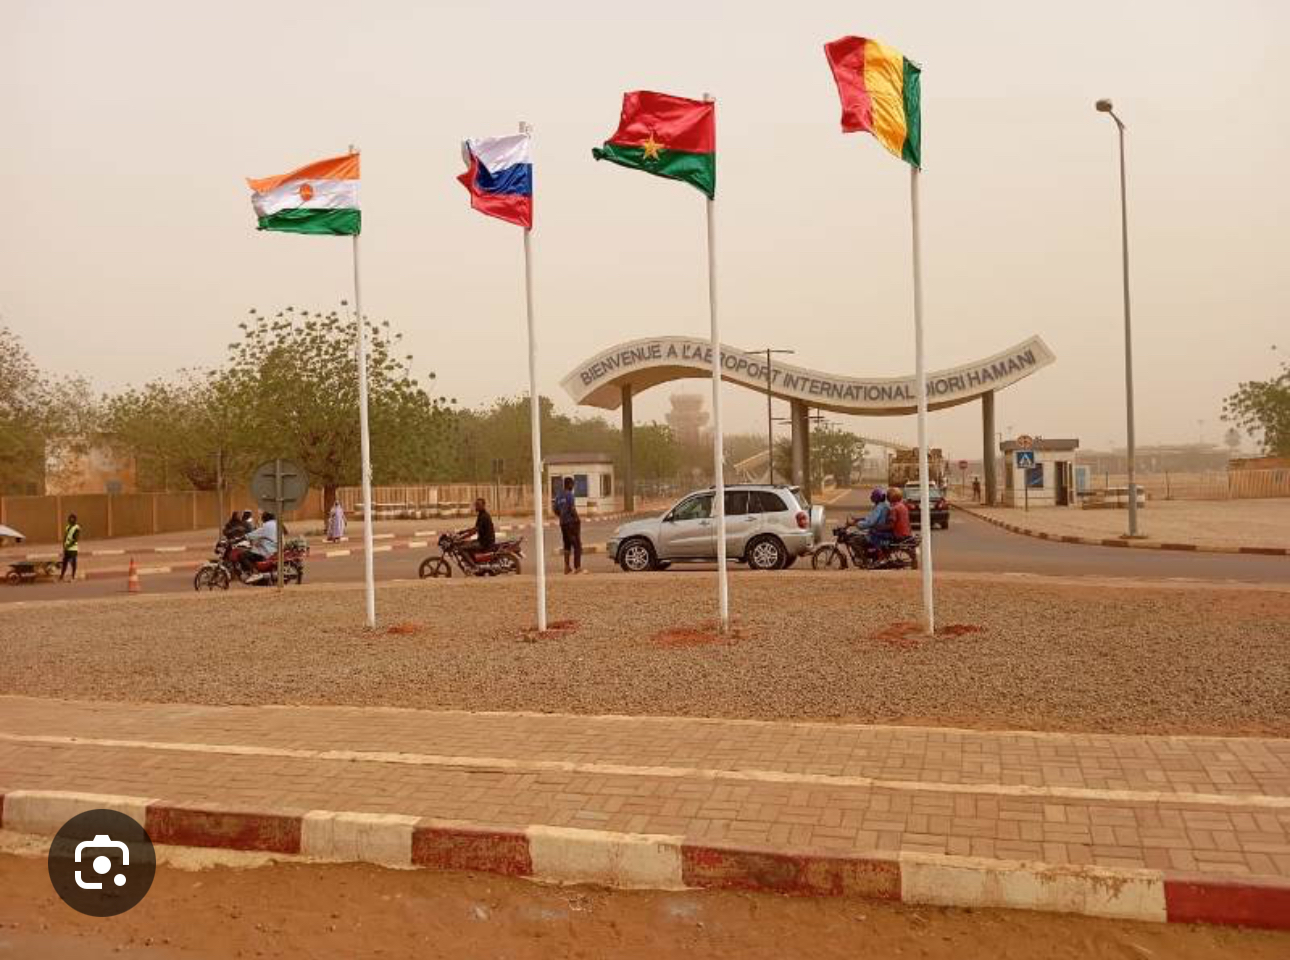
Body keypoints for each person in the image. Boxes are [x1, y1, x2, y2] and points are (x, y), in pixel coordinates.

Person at [553, 477, 583, 574]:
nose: (573, 487)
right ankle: (577, 567)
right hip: (571, 523)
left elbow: (555, 509)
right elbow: (572, 509)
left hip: (563, 524)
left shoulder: (558, 496)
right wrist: (577, 519)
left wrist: (561, 516)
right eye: (572, 484)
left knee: (567, 545)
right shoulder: (570, 495)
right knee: (577, 545)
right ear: (569, 485)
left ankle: (566, 567)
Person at [242, 511, 279, 581]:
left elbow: (253, 534)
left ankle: (254, 573)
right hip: (276, 549)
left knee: (243, 555)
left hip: (267, 550)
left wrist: (244, 536)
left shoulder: (266, 526)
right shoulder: (276, 524)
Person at [458, 497, 496, 564]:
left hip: (484, 543)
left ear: (483, 505)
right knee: (466, 543)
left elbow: (474, 531)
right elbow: (475, 528)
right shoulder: (481, 514)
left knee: (461, 548)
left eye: (478, 505)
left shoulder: (484, 516)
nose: (476, 506)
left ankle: (473, 566)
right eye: (476, 504)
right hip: (482, 540)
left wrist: (462, 537)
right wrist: (463, 532)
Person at [58, 513, 80, 582]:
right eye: (70, 518)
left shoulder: (77, 527)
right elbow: (65, 537)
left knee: (73, 563)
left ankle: (73, 577)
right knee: (64, 563)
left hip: (73, 549)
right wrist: (64, 545)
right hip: (66, 548)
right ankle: (61, 577)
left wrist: (68, 545)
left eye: (72, 518)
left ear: (75, 520)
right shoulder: (67, 527)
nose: (71, 520)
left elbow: (76, 539)